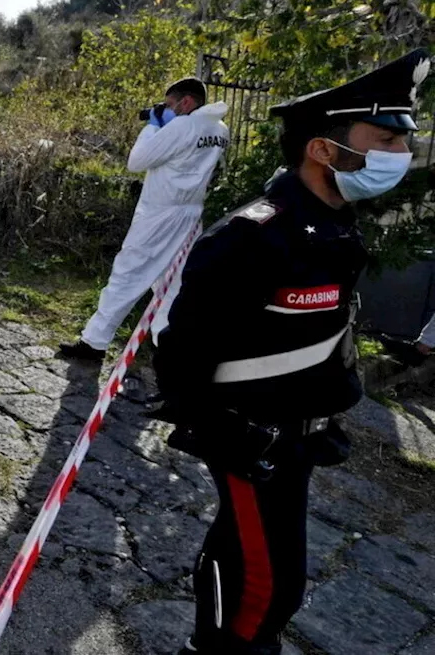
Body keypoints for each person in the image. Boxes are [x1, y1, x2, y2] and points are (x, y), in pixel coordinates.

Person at [151, 48, 429, 655]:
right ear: (323, 149)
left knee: (265, 573)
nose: (398, 155)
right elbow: (182, 346)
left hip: (297, 435)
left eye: (402, 141)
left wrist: (323, 412)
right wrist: (217, 428)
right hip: (252, 439)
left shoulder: (334, 223)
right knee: (263, 590)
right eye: (384, 138)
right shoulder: (258, 235)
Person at [59, 77, 230, 361]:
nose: (167, 109)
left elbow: (136, 161)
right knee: (174, 283)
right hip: (191, 213)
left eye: (170, 104)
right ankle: (165, 343)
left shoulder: (183, 125)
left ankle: (94, 342)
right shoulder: (219, 129)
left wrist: (153, 125)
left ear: (186, 102)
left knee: (128, 273)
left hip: (160, 213)